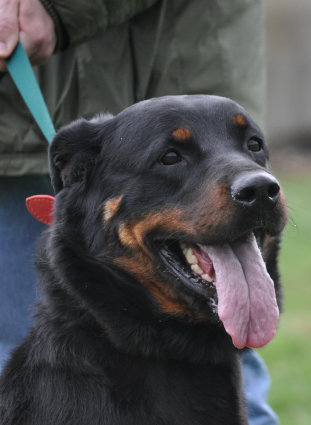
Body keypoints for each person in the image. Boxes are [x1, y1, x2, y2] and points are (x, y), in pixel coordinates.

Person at [0, 0, 278, 423]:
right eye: (171, 158)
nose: (252, 178)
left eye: (251, 147)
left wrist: (57, 9)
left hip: (187, 46)